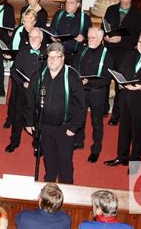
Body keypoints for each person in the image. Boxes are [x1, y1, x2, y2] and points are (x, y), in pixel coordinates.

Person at [25, 42, 85, 184]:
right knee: (49, 158)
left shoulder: (72, 77)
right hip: (44, 126)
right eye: (50, 57)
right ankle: (49, 184)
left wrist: (74, 127)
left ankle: (67, 187)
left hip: (65, 128)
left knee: (65, 160)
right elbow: (30, 100)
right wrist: (29, 121)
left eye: (56, 57)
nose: (52, 60)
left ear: (63, 58)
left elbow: (80, 105)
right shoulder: (39, 76)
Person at [104, 29, 141, 167]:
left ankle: (135, 160)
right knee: (124, 130)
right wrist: (120, 83)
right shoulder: (129, 54)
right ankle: (122, 157)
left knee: (138, 132)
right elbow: (121, 71)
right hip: (125, 98)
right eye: (139, 42)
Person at [104, 0, 141, 125]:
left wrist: (121, 39)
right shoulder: (111, 9)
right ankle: (104, 108)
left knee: (121, 84)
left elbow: (136, 37)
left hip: (125, 53)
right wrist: (106, 36)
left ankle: (116, 115)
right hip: (109, 50)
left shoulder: (137, 14)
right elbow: (105, 27)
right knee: (105, 80)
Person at [72, 27, 114, 163]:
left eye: (93, 38)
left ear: (101, 38)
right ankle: (79, 141)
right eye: (89, 37)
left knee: (96, 122)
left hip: (97, 92)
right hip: (82, 91)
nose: (90, 40)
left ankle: (96, 149)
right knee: (80, 118)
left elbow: (107, 78)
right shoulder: (83, 50)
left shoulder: (107, 54)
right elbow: (74, 66)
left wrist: (89, 81)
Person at [5, 27, 45, 153]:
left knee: (38, 119)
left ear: (42, 38)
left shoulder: (48, 53)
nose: (33, 39)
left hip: (39, 93)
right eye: (31, 37)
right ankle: (14, 142)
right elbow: (13, 71)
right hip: (22, 92)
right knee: (18, 117)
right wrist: (23, 83)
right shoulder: (22, 52)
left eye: (36, 37)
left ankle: (37, 144)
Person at [49, 0, 92, 65]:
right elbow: (51, 30)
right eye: (67, 2)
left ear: (78, 4)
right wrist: (52, 37)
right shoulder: (58, 14)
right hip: (58, 54)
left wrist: (83, 37)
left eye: (71, 3)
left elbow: (89, 36)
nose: (67, 5)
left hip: (74, 56)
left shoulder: (85, 18)